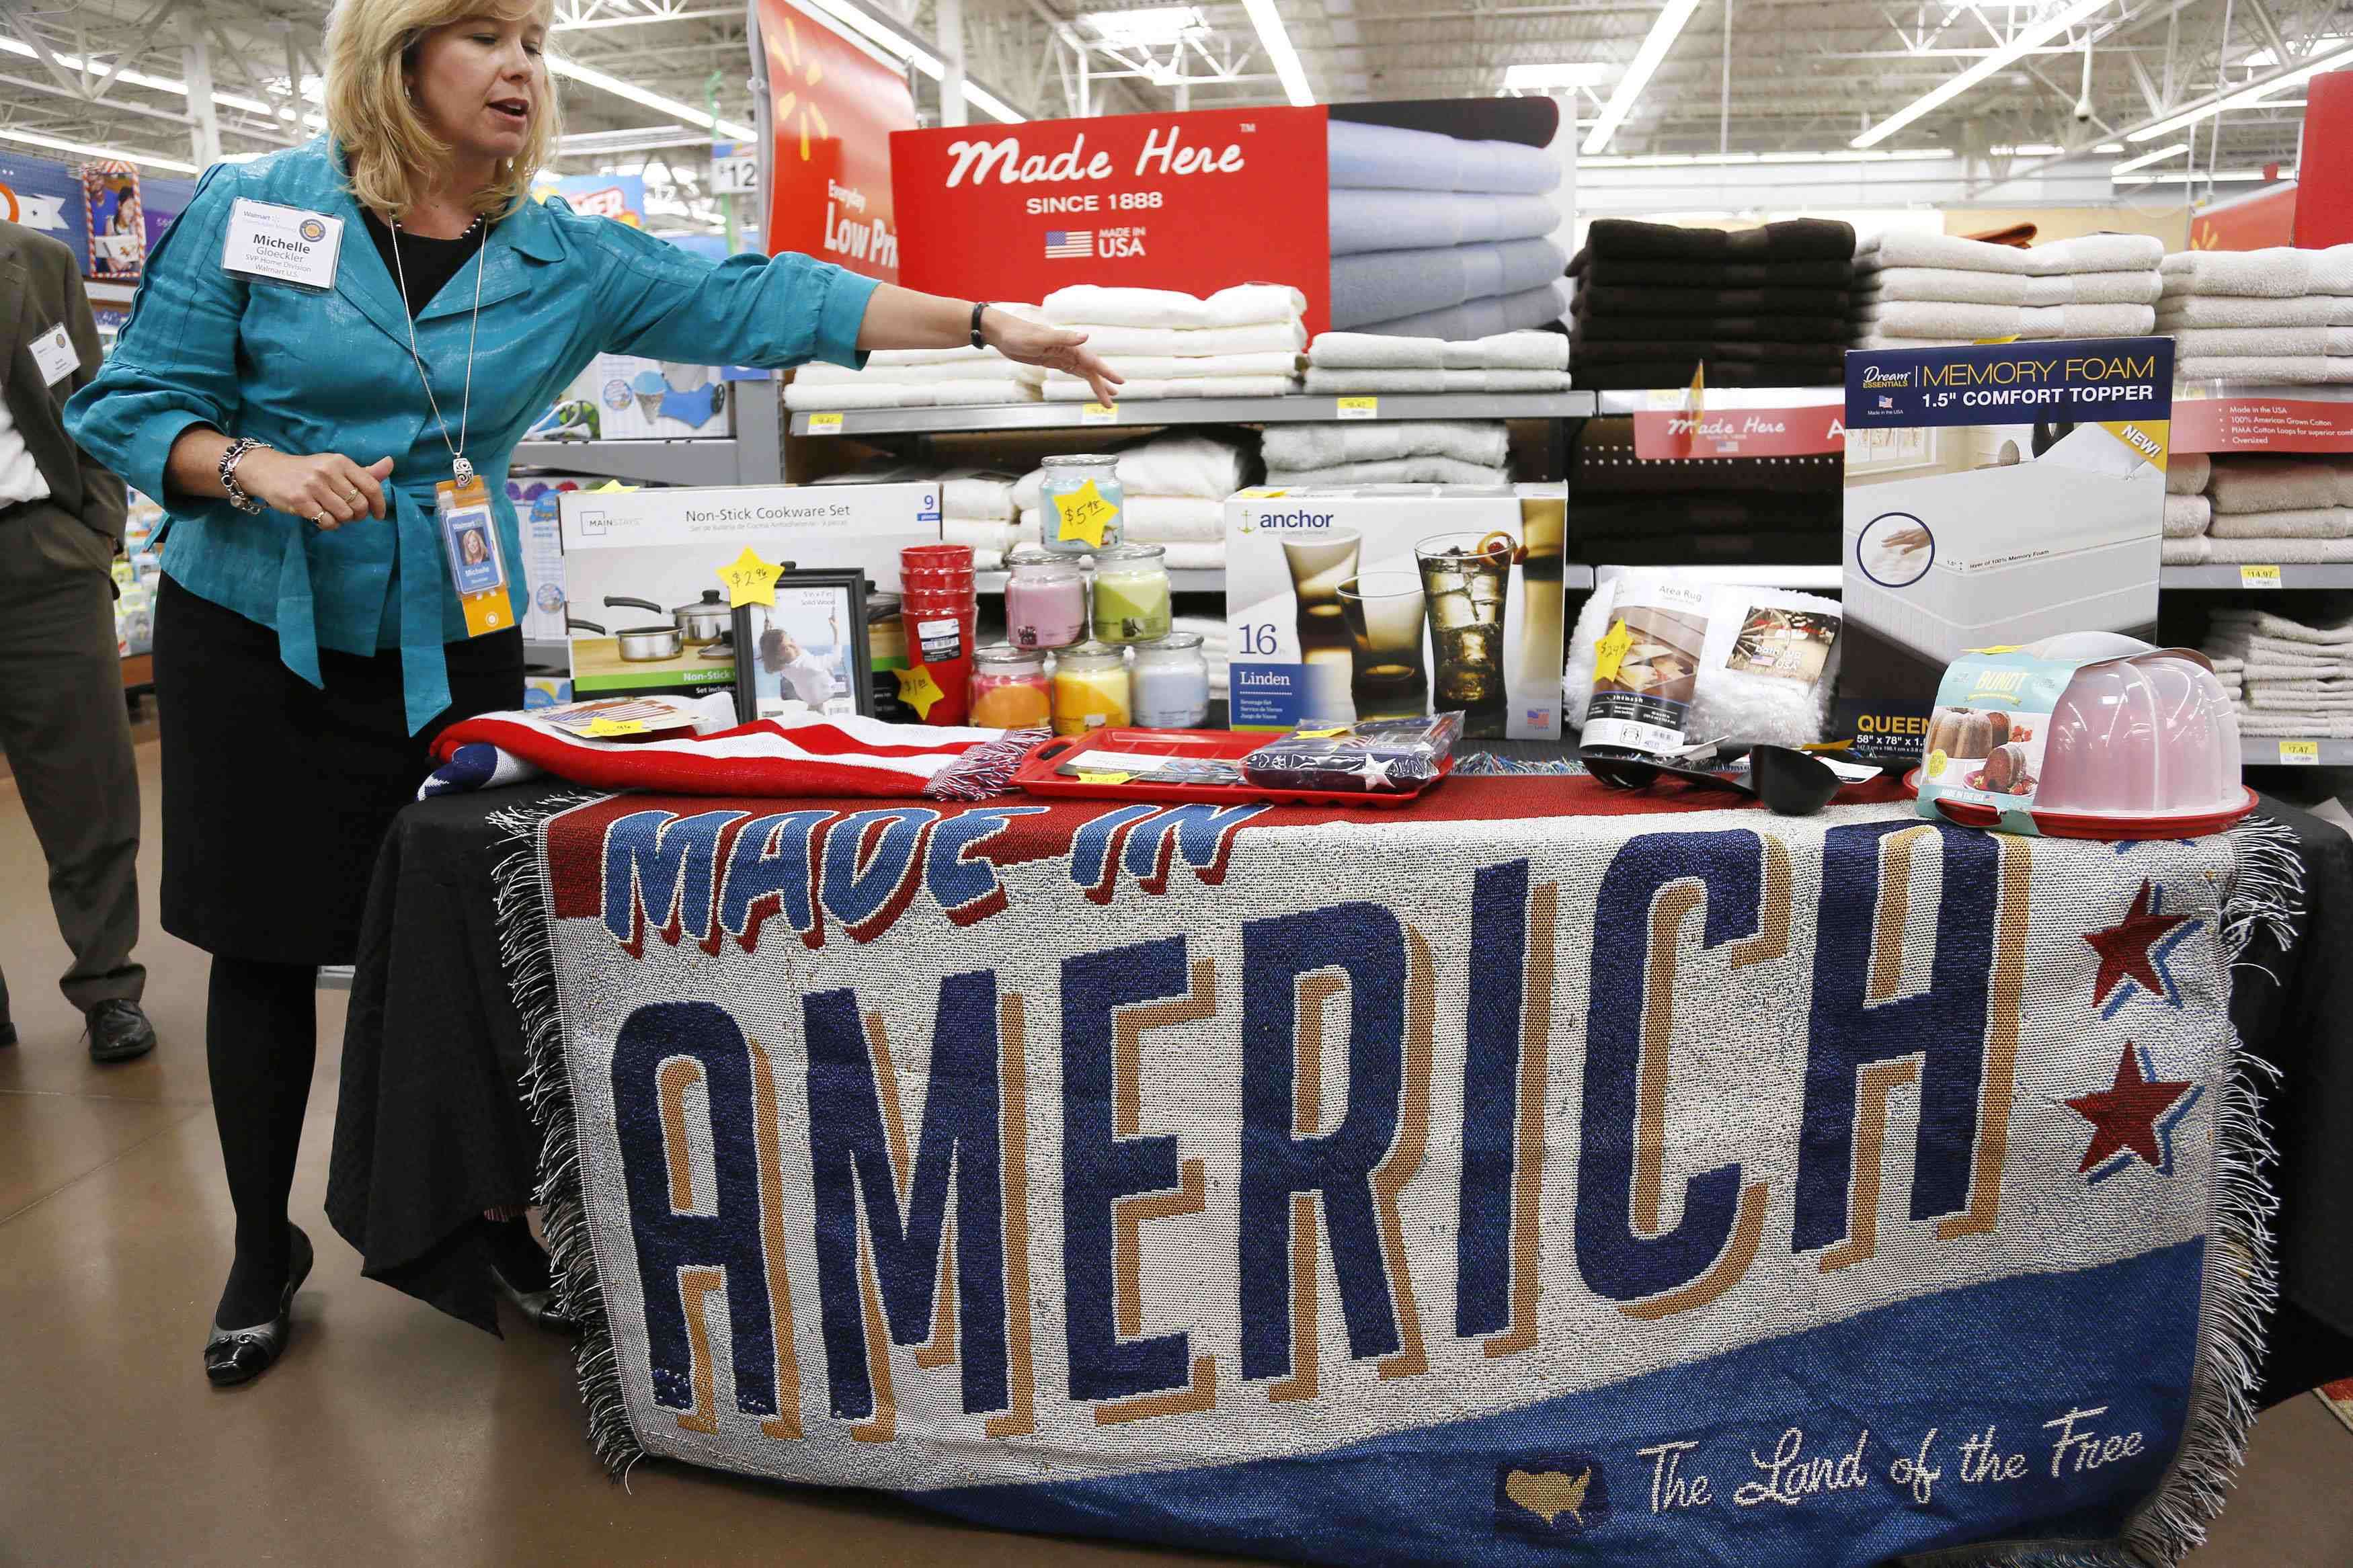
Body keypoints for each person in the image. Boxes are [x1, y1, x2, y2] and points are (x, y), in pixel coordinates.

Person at [65, 0, 1119, 1390]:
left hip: (458, 618)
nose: (521, 68)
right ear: (399, 57)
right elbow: (132, 400)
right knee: (262, 944)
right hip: (264, 624)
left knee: (481, 931)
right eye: (487, 35)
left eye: (538, 44)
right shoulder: (262, 206)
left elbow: (768, 297)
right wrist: (245, 464)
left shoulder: (561, 250)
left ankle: (496, 1219)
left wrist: (987, 323)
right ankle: (262, 1245)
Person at [0, 216, 157, 1065]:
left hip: (41, 551)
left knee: (87, 786)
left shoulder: (38, 260)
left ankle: (107, 988)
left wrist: (96, 524)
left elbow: (92, 397)